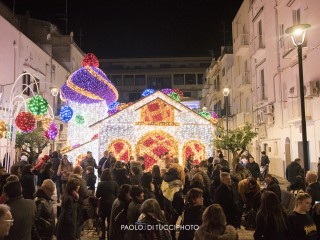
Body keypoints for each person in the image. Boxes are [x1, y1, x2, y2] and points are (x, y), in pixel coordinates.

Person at [95, 168, 118, 240]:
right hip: (112, 204)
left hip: (103, 204)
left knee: (102, 221)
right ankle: (109, 236)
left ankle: (102, 237)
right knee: (110, 221)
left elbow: (97, 195)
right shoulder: (114, 183)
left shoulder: (100, 184)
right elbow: (117, 194)